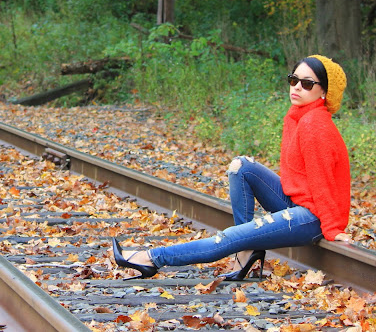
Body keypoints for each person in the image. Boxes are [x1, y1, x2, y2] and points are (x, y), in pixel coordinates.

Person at [113, 55, 352, 281]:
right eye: (293, 80)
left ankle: (152, 258)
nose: (297, 87)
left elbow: (323, 183)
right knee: (241, 167)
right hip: (298, 203)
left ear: (324, 92)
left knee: (228, 237)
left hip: (312, 217)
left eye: (307, 84)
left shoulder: (314, 124)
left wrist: (332, 228)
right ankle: (246, 250)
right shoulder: (298, 117)